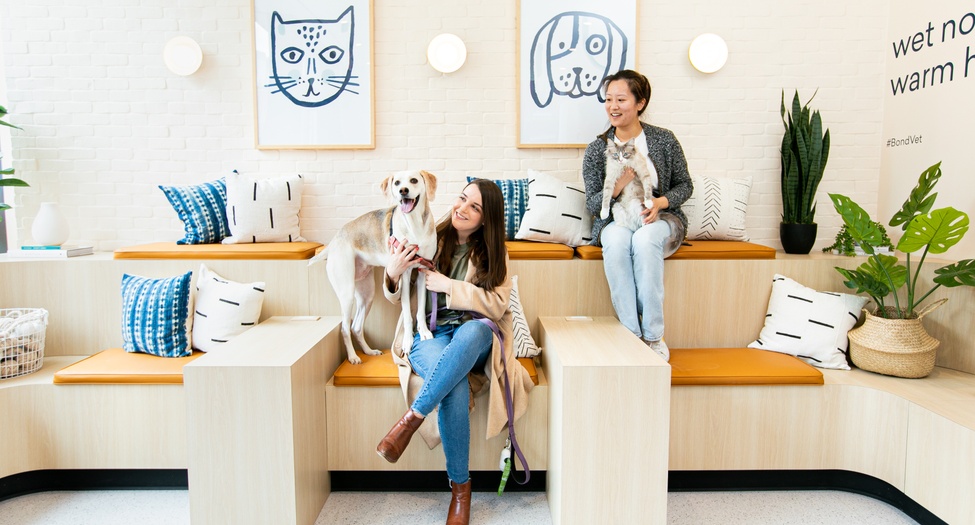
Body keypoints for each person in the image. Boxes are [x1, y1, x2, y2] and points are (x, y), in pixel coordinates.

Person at [376, 179, 534, 525]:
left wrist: (450, 286)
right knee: (454, 387)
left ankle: (411, 419)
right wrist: (392, 272)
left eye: (474, 207)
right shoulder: (431, 237)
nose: (462, 208)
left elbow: (496, 304)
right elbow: (395, 295)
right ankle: (461, 491)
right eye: (462, 199)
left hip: (472, 337)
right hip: (429, 334)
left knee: (475, 329)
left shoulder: (495, 252)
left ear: (486, 218)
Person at [582, 69, 693, 361]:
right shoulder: (597, 149)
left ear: (640, 103)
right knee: (618, 243)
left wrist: (661, 203)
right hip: (617, 218)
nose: (613, 107)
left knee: (644, 242)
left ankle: (654, 336)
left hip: (661, 220)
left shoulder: (664, 140)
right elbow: (594, 204)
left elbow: (686, 185)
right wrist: (616, 188)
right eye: (608, 99)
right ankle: (631, 333)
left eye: (621, 99)